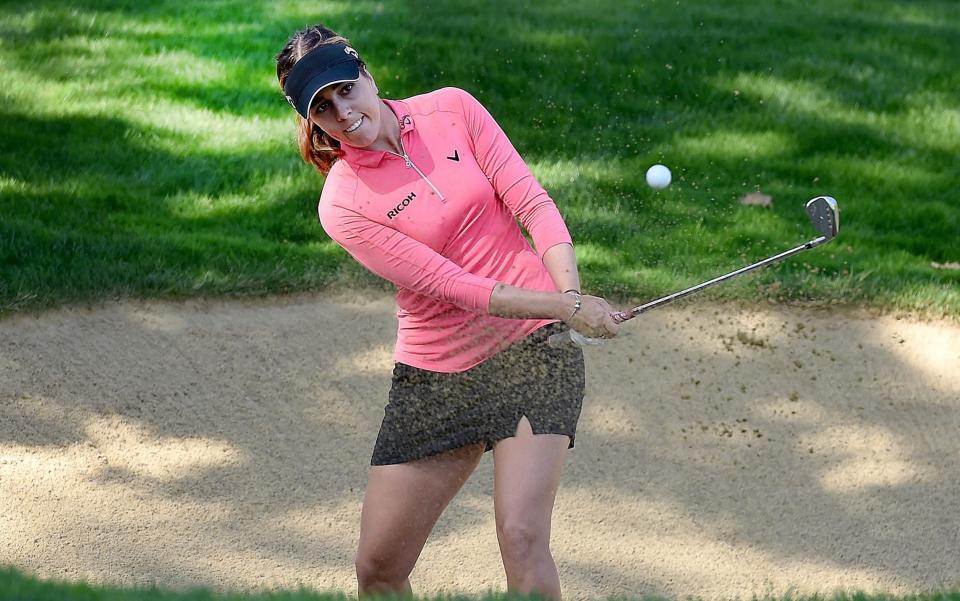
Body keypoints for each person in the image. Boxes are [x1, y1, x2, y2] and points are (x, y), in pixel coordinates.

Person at [275, 24, 620, 600]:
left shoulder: (452, 109)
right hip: (440, 376)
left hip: (537, 350)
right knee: (379, 569)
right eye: (323, 107)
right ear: (312, 120)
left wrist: (568, 304)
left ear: (366, 74)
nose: (343, 112)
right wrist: (567, 305)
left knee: (522, 532)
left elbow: (532, 203)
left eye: (344, 89)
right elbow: (453, 286)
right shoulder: (342, 204)